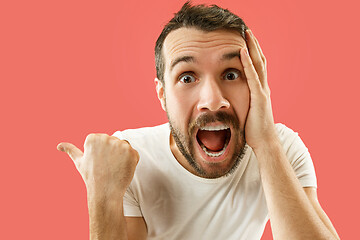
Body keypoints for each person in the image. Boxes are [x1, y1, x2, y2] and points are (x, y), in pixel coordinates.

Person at [57, 2, 340, 240]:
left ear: (257, 85)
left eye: (231, 74)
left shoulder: (281, 148)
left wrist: (266, 144)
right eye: (187, 77)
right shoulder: (129, 159)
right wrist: (102, 193)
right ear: (162, 94)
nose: (213, 101)